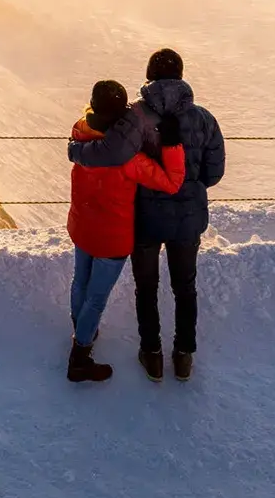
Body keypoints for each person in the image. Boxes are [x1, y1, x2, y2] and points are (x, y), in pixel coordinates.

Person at [63, 80, 184, 383]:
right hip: (111, 238)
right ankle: (80, 355)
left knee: (80, 282)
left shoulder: (80, 133)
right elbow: (171, 182)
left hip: (81, 226)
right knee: (97, 297)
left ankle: (82, 329)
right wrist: (171, 144)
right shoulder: (129, 159)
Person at [130, 48, 224, 382]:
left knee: (146, 286)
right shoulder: (204, 119)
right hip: (187, 217)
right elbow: (213, 173)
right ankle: (183, 357)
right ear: (181, 77)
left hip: (145, 216)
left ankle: (151, 355)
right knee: (185, 287)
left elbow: (121, 164)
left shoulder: (135, 117)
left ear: (149, 76)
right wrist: (189, 185)